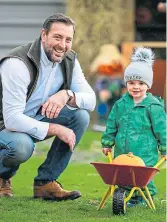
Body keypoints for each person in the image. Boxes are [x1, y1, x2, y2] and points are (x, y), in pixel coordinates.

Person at [0, 13, 96, 200]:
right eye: (57, 37)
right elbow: (12, 119)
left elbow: (91, 100)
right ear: (44, 35)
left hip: (33, 119)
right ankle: (3, 176)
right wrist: (56, 128)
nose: (63, 45)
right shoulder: (17, 63)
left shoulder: (69, 61)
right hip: (5, 125)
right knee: (21, 146)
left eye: (68, 39)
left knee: (80, 116)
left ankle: (46, 183)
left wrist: (67, 95)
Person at [101, 47, 166, 206]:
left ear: (148, 85)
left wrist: (165, 148)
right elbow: (112, 125)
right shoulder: (120, 104)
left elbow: (161, 129)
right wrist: (107, 143)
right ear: (126, 83)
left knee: (143, 176)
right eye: (131, 83)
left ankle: (144, 196)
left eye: (141, 83)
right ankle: (124, 194)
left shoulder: (153, 106)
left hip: (144, 151)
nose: (136, 87)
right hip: (122, 150)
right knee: (123, 174)